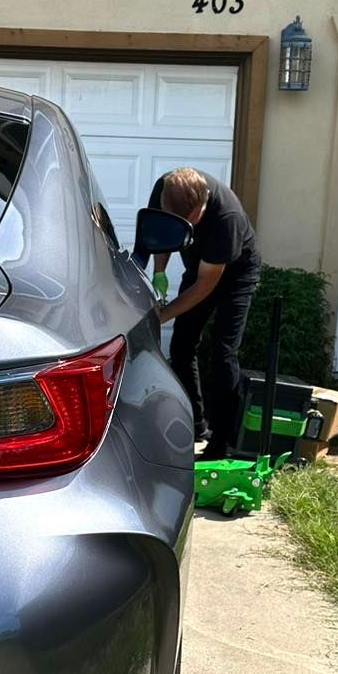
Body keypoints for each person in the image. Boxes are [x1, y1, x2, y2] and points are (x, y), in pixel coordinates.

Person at [150, 166, 262, 460]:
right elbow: (161, 233)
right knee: (181, 345)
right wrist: (159, 273)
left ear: (204, 200)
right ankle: (196, 425)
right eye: (180, 222)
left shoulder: (226, 218)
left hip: (236, 274)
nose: (186, 227)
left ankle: (221, 443)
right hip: (200, 264)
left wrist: (162, 315)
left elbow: (204, 286)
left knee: (223, 352)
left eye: (191, 220)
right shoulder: (165, 190)